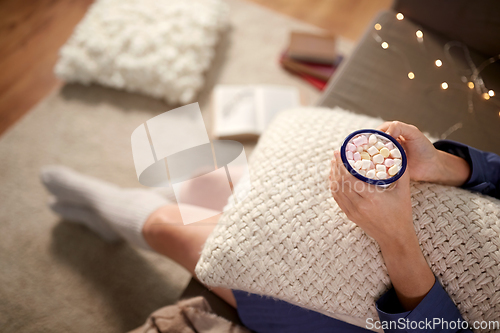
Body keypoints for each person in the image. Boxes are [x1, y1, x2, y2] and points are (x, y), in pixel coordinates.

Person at [40, 121, 500, 333]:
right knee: (207, 181)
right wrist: (445, 165)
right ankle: (128, 210)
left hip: (360, 307)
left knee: (177, 233)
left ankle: (113, 208)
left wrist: (396, 237)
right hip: (426, 201)